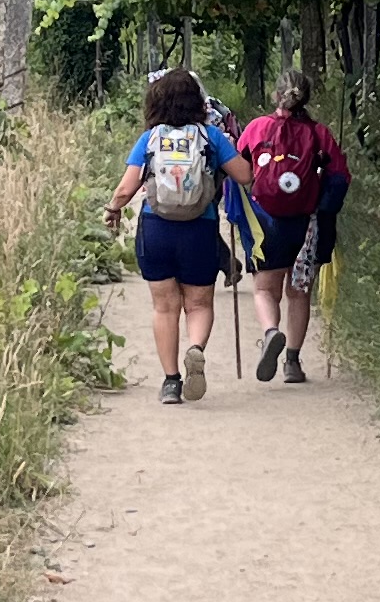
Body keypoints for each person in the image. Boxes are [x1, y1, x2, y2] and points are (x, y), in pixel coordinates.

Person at [106, 66, 254, 406]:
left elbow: (127, 188)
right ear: (198, 101)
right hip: (199, 229)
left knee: (164, 307)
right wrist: (231, 151)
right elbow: (245, 175)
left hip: (156, 228)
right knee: (199, 303)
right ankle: (195, 348)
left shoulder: (150, 138)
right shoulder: (211, 137)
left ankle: (171, 382)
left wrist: (113, 209)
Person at [237, 71, 348, 385]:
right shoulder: (319, 133)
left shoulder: (257, 128)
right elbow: (339, 177)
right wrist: (323, 211)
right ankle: (293, 363)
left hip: (265, 222)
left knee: (264, 289)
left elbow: (238, 170)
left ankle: (271, 332)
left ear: (276, 95)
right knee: (299, 293)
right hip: (306, 223)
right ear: (307, 98)